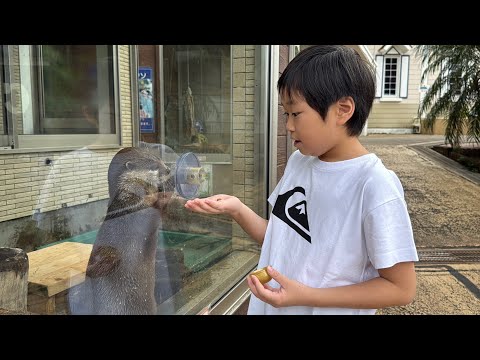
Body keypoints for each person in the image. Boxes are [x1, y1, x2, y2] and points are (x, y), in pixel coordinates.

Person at [184, 45, 418, 315]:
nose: (288, 126)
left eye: (296, 113)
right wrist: (237, 208)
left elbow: (401, 288)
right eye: (286, 114)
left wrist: (306, 296)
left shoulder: (374, 185)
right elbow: (280, 239)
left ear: (342, 110)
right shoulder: (299, 163)